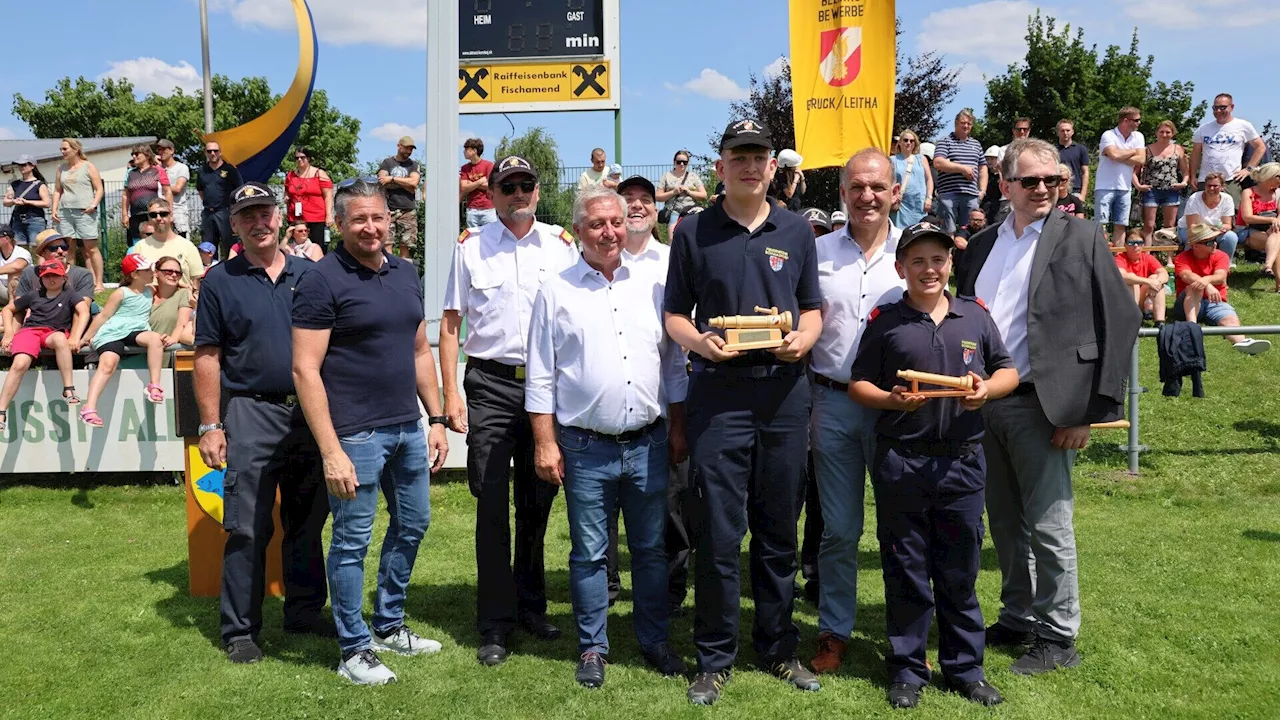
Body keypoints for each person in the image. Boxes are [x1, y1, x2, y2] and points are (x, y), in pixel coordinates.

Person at [954, 138, 1141, 676]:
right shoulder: (985, 243)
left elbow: (1120, 322)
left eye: (1052, 181)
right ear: (1006, 185)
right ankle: (1017, 616)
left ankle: (1059, 634)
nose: (1043, 190)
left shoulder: (1081, 234)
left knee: (1049, 526)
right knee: (1007, 523)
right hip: (987, 403)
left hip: (1049, 405)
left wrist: (1092, 410)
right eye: (1030, 181)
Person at [663, 118, 824, 705]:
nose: (751, 165)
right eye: (739, 156)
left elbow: (812, 309)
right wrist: (700, 343)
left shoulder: (797, 229)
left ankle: (779, 647)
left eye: (759, 156)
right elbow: (675, 315)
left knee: (780, 527)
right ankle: (714, 656)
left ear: (773, 167)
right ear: (721, 165)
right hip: (719, 396)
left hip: (784, 393)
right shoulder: (692, 230)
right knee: (720, 533)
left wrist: (804, 340)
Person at [849, 221, 1019, 709]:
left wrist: (986, 389)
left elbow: (1007, 369)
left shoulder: (975, 316)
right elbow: (858, 384)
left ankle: (965, 667)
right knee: (905, 568)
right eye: (918, 260)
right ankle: (907, 668)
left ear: (951, 264)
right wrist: (892, 400)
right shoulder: (886, 319)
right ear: (901, 267)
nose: (929, 269)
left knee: (959, 570)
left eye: (938, 259)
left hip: (962, 464)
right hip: (902, 460)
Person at [525, 184, 689, 689]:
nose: (608, 232)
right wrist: (544, 442)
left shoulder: (655, 285)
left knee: (650, 549)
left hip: (649, 441)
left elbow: (674, 363)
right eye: (596, 224)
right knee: (590, 553)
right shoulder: (556, 291)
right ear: (577, 231)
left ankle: (654, 639)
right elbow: (541, 374)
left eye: (615, 222)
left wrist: (679, 425)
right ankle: (593, 646)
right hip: (584, 446)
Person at [292, 179, 448, 685]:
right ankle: (353, 648)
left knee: (413, 524)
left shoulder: (406, 271)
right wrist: (331, 450)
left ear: (390, 219)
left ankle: (388, 623)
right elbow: (305, 370)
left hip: (406, 426)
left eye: (378, 217)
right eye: (358, 219)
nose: (370, 227)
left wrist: (438, 418)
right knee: (352, 541)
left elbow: (420, 349)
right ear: (339, 224)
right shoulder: (322, 279)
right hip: (355, 434)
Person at [440, 156, 578, 666]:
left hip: (547, 388)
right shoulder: (471, 249)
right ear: (491, 195)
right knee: (492, 504)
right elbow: (451, 323)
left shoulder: (562, 246)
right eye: (507, 187)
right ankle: (494, 622)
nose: (518, 194)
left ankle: (531, 606)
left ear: (538, 193)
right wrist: (451, 394)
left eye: (526, 186)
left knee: (538, 504)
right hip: (492, 384)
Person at [194, 181, 331, 666]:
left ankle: (305, 612)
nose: (258, 222)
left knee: (308, 519)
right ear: (234, 225)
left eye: (265, 212)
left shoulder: (311, 274)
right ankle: (240, 630)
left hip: (309, 412)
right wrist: (210, 424)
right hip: (250, 410)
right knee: (248, 527)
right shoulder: (219, 280)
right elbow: (207, 355)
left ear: (280, 216)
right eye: (247, 215)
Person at [806, 148, 906, 676]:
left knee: (901, 529)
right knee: (840, 530)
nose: (867, 196)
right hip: (833, 402)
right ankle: (834, 631)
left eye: (877, 186)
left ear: (895, 192)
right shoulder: (815, 249)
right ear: (842, 193)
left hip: (898, 409)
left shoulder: (913, 251)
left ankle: (906, 635)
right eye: (857, 187)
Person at [616, 175, 695, 615]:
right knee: (607, 511)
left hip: (665, 403)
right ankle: (608, 585)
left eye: (646, 200)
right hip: (611, 414)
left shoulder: (672, 262)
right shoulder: (594, 261)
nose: (638, 206)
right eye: (628, 200)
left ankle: (672, 588)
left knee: (671, 507)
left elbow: (678, 347)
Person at [77, 255, 166, 428]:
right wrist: (86, 338)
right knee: (108, 364)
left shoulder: (151, 290)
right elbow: (104, 315)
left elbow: (173, 285)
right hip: (113, 331)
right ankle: (89, 408)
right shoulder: (121, 293)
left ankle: (154, 385)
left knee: (155, 339)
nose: (152, 272)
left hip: (137, 329)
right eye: (147, 270)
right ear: (134, 274)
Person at [0, 260, 89, 430]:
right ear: (41, 278)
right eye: (46, 276)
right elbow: (7, 310)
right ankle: (1, 412)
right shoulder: (33, 294)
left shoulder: (70, 294)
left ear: (64, 277)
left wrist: (76, 337)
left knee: (61, 339)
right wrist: (9, 333)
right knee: (20, 364)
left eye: (55, 275)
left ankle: (69, 389)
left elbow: (83, 311)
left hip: (54, 332)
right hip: (30, 331)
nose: (51, 279)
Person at [1174, 223, 1271, 353]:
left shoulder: (1221, 256)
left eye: (1215, 241)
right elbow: (1186, 275)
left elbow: (1220, 276)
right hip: (1187, 303)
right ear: (1195, 246)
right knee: (1194, 287)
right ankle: (1192, 331)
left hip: (1214, 301)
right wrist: (1207, 285)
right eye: (1209, 242)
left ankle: (1242, 342)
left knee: (1230, 320)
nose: (1214, 244)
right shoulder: (1182, 258)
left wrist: (1206, 280)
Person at [1190, 93, 1266, 205]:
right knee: (1204, 214)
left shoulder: (1243, 125)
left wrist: (1248, 169)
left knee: (1232, 214)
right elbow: (1195, 153)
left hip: (1231, 180)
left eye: (1223, 107)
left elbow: (1260, 147)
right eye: (1215, 108)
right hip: (1206, 179)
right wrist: (1193, 176)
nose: (1219, 111)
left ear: (1232, 107)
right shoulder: (1203, 128)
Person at [51, 139, 106, 292]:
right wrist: (54, 208)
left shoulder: (88, 166)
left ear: (75, 149)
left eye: (65, 149)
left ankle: (99, 283)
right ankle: (71, 283)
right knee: (68, 248)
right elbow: (57, 190)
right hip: (65, 212)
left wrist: (93, 204)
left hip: (85, 211)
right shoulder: (61, 168)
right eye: (61, 149)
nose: (62, 152)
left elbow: (99, 189)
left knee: (91, 248)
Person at [932, 109, 988, 235]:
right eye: (963, 123)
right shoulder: (945, 141)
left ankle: (967, 254)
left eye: (969, 124)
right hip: (948, 194)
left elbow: (983, 167)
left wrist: (982, 191)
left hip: (971, 194)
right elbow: (938, 162)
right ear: (956, 123)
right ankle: (948, 254)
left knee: (970, 230)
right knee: (947, 230)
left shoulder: (976, 144)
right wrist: (963, 169)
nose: (966, 126)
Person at [1096, 107, 1146, 246]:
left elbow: (1141, 159)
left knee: (1121, 224)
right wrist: (1133, 151)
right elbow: (1114, 155)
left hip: (1125, 186)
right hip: (1104, 186)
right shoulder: (1108, 135)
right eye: (1136, 120)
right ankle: (1102, 254)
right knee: (1101, 224)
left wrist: (1118, 155)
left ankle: (1118, 260)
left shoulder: (1138, 136)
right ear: (1126, 120)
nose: (1139, 123)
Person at [1134, 120, 1189, 245]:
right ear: (1156, 133)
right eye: (1161, 132)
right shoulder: (1147, 149)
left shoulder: (1178, 149)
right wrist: (1138, 186)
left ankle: (1168, 257)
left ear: (1173, 133)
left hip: (1171, 190)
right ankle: (1147, 254)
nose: (1164, 135)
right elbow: (1135, 171)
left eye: (1168, 132)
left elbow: (1186, 171)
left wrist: (1184, 183)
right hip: (1151, 190)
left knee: (1169, 226)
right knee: (1149, 225)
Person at [131, 198, 204, 288]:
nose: (158, 218)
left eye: (163, 214)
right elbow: (133, 280)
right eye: (153, 215)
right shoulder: (139, 247)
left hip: (180, 299)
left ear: (171, 216)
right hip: (149, 300)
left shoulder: (187, 246)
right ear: (149, 218)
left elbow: (197, 281)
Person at [12, 230, 95, 306]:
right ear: (42, 253)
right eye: (53, 248)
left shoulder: (82, 274)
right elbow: (19, 305)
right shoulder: (30, 273)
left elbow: (83, 308)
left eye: (64, 247)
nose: (60, 251)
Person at [1237, 163, 1280, 288]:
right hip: (1248, 230)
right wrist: (1272, 219)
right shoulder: (1248, 192)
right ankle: (1278, 283)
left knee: (1276, 239)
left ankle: (1267, 265)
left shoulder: (1277, 193)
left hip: (1271, 231)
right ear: (1270, 176)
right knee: (1277, 243)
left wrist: (1276, 220)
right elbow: (1247, 217)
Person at [378, 136, 421, 260]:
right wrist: (405, 184)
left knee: (406, 245)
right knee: (387, 244)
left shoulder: (413, 164)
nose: (409, 151)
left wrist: (392, 179)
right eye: (407, 148)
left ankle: (404, 275)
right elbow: (382, 181)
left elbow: (413, 183)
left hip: (407, 210)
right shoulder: (387, 163)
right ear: (399, 146)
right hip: (388, 209)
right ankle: (388, 272)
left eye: (411, 149)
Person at [196, 141, 243, 255]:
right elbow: (201, 190)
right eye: (209, 151)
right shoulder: (202, 171)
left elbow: (239, 190)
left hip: (225, 212)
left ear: (220, 152)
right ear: (205, 153)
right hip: (208, 213)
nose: (212, 153)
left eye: (215, 151)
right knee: (207, 248)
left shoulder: (230, 169)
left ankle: (231, 270)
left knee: (230, 245)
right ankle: (211, 271)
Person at [284, 147, 334, 250]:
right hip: (296, 219)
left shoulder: (319, 173)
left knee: (317, 247)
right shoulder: (290, 175)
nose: (299, 160)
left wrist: (329, 215)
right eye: (296, 158)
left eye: (302, 157)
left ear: (309, 158)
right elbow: (287, 191)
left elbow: (328, 195)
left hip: (316, 218)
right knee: (296, 248)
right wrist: (286, 197)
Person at [121, 145, 172, 246]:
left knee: (156, 242)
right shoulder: (130, 173)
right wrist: (124, 214)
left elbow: (168, 192)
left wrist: (170, 213)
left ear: (147, 155)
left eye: (137, 154)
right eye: (132, 155)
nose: (134, 157)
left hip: (154, 215)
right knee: (136, 245)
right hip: (135, 216)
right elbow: (125, 194)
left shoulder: (158, 170)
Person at [1114, 231, 1168, 326]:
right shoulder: (1120, 258)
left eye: (1139, 243)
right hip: (1123, 300)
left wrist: (1156, 282)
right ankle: (1133, 319)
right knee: (1132, 280)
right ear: (1125, 245)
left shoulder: (1148, 258)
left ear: (1143, 245)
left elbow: (1164, 273)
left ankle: (1160, 322)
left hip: (1142, 298)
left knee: (1156, 278)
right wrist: (1149, 282)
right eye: (1131, 243)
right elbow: (1122, 276)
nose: (1136, 246)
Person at [1178, 172, 1237, 257]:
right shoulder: (1194, 198)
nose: (1211, 188)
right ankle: (1191, 264)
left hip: (1216, 231)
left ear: (1222, 187)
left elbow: (1227, 225)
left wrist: (1217, 230)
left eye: (1215, 186)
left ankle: (1224, 265)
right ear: (1205, 186)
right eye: (1209, 185)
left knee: (1231, 237)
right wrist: (1209, 231)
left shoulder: (1227, 199)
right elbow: (1192, 226)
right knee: (1197, 239)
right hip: (1191, 230)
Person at [656, 150, 707, 236]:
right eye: (679, 162)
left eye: (685, 162)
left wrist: (689, 192)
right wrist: (673, 192)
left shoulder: (693, 176)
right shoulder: (667, 176)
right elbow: (657, 196)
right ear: (674, 162)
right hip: (674, 211)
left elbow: (704, 195)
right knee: (672, 238)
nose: (682, 164)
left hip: (691, 211)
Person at [4, 155, 51, 247]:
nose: (21, 167)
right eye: (19, 165)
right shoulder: (15, 184)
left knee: (36, 248)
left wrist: (28, 202)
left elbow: (46, 203)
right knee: (19, 249)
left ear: (32, 166)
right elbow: (6, 201)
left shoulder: (39, 184)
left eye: (24, 164)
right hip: (18, 220)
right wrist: (13, 201)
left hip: (35, 219)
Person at [891, 130, 934, 228]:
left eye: (912, 141)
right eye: (905, 140)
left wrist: (929, 198)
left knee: (918, 232)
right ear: (900, 142)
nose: (908, 143)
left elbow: (929, 179)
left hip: (918, 204)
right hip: (900, 203)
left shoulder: (921, 159)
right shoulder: (892, 160)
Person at [149, 255, 193, 345]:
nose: (173, 275)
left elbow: (182, 323)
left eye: (178, 273)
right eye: (168, 271)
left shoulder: (183, 294)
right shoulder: (147, 293)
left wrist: (173, 339)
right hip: (138, 353)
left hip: (167, 351)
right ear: (156, 273)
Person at [156, 139, 192, 235]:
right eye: (159, 150)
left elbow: (177, 189)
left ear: (172, 150)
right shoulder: (156, 169)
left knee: (180, 239)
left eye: (164, 149)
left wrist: (160, 187)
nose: (161, 152)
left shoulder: (182, 168)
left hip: (177, 210)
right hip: (159, 210)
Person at [459, 137, 496, 228]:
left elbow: (491, 186)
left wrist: (470, 183)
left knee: (490, 238)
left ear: (474, 151)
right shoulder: (465, 168)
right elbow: (463, 187)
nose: (464, 151)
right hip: (472, 209)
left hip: (488, 209)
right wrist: (480, 181)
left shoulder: (489, 165)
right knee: (473, 238)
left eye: (466, 149)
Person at [1055, 119, 1090, 198]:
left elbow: (1085, 172)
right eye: (1062, 130)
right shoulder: (1052, 150)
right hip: (1057, 190)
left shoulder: (1081, 149)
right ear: (1058, 132)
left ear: (1072, 132)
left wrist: (1083, 195)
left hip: (1076, 191)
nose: (1065, 133)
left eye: (1068, 130)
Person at [0, 225, 31, 306]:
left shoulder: (22, 252)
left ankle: (12, 304)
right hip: (3, 292)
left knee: (14, 273)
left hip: (22, 293)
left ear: (6, 239)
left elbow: (18, 266)